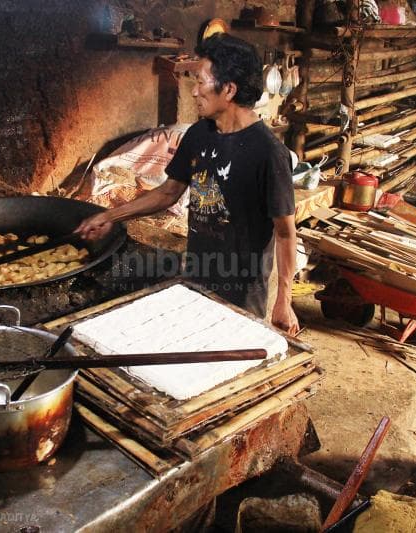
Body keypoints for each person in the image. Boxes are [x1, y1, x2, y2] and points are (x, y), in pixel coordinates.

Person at [76, 33, 299, 335]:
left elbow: (286, 235)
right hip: (196, 276)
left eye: (201, 82)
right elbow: (168, 193)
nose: (194, 92)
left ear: (229, 90)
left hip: (241, 290)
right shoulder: (199, 134)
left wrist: (284, 301)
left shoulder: (269, 153)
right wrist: (109, 216)